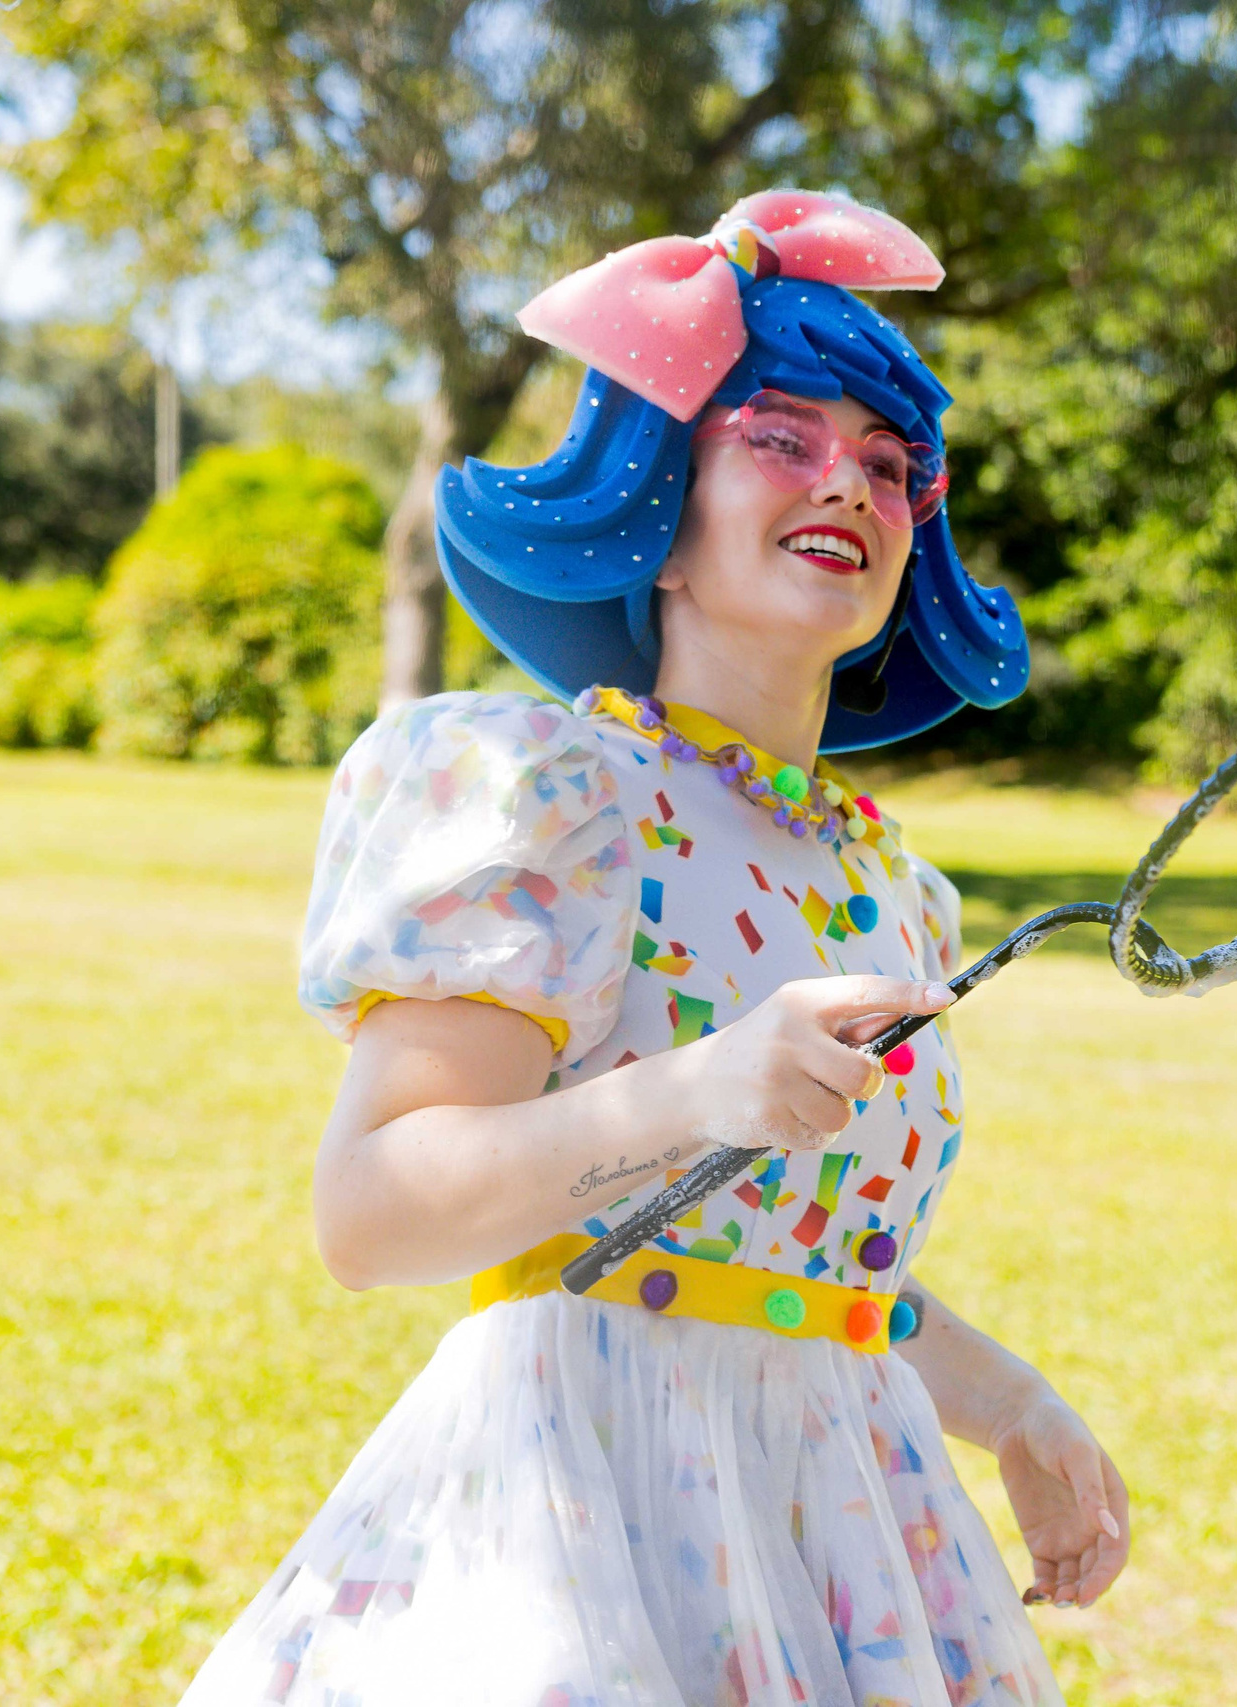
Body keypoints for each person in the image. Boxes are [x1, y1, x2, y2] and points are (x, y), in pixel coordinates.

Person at [178, 191, 1125, 1707]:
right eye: (781, 438)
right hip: (583, 1516)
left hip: (846, 1536)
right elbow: (370, 1213)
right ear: (658, 514)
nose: (850, 482)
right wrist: (694, 1090)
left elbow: (788, 1265)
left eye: (890, 464)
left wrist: (1010, 1402)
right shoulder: (551, 796)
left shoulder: (897, 887)